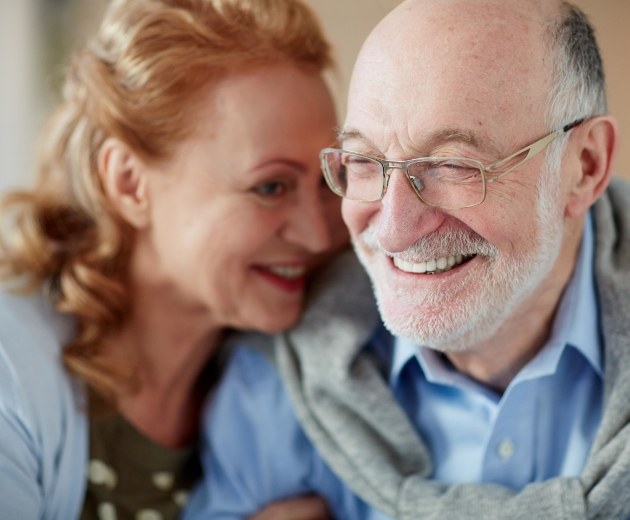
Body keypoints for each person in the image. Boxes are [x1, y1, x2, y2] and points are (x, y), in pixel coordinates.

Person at [185, 0, 630, 518]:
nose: (394, 230)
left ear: (585, 166)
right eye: (365, 162)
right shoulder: (271, 393)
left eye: (453, 164)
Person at [0, 0, 351, 518]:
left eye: (327, 180)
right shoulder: (10, 369)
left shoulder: (308, 367)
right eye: (271, 186)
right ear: (129, 183)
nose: (319, 233)